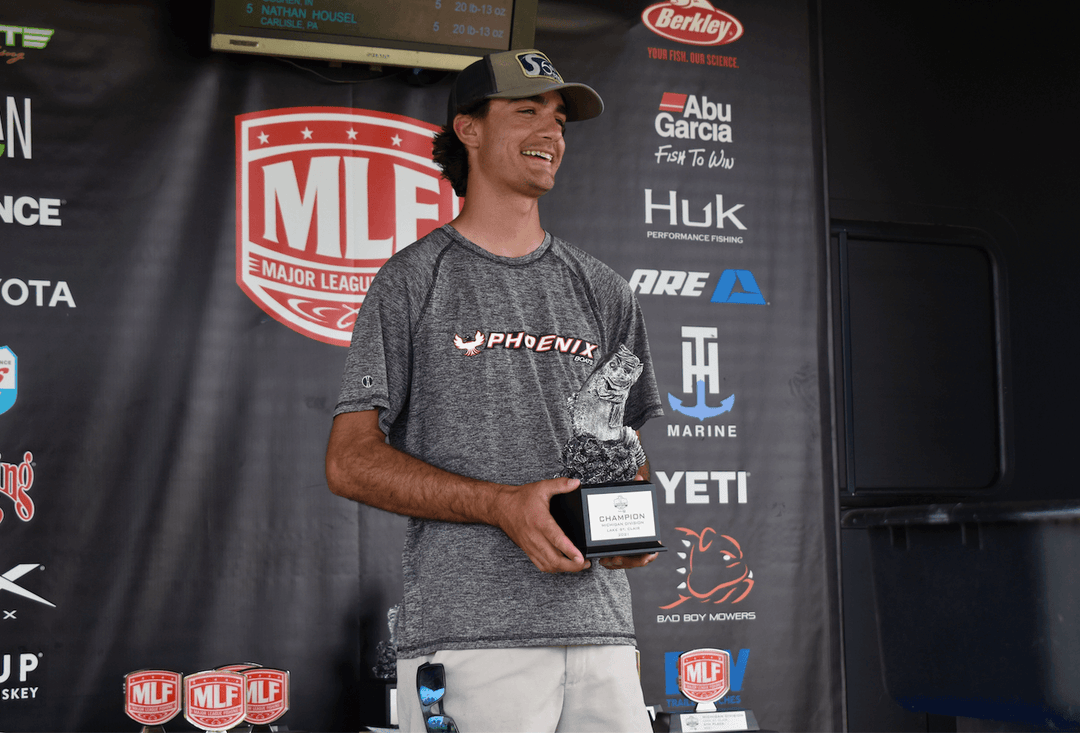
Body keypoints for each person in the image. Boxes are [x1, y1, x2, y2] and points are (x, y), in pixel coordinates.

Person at [325, 49, 663, 732]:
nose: (552, 130)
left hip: (603, 636)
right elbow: (349, 459)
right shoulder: (411, 282)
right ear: (469, 129)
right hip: (471, 641)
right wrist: (502, 505)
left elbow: (625, 449)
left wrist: (630, 522)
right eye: (527, 110)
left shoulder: (604, 290)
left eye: (560, 118)